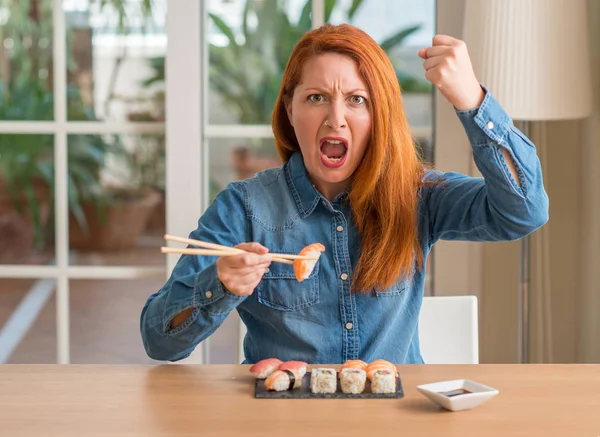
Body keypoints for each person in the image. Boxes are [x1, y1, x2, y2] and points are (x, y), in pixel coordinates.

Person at [140, 24, 548, 364]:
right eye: (316, 98)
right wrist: (220, 282)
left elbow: (524, 211)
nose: (336, 119)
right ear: (289, 109)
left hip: (391, 420)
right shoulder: (244, 206)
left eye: (357, 100)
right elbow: (159, 340)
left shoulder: (417, 196)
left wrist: (473, 101)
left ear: (378, 116)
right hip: (284, 420)